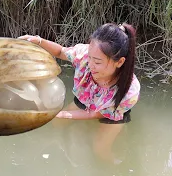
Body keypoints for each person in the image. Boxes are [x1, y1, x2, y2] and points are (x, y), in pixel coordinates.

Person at [18, 23, 141, 164]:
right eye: (90, 57)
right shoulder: (84, 56)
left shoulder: (129, 91)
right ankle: (59, 141)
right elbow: (60, 52)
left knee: (100, 149)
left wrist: (62, 114)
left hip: (111, 113)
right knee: (57, 123)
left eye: (98, 62)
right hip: (86, 101)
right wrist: (38, 41)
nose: (90, 65)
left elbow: (96, 113)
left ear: (119, 62)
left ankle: (117, 167)